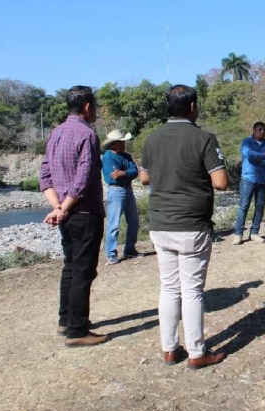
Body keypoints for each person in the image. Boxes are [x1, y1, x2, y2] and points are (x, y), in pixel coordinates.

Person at [139, 84, 228, 369]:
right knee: (191, 291)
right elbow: (221, 182)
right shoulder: (204, 138)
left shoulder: (152, 139)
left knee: (169, 288)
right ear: (192, 107)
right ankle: (197, 352)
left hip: (160, 223)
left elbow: (143, 179)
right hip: (191, 225)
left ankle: (169, 349)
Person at [39, 85, 108, 347]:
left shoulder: (55, 133)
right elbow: (83, 178)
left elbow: (44, 175)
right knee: (83, 270)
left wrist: (57, 207)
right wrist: (64, 207)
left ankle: (65, 320)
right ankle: (77, 330)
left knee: (70, 265)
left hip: (65, 213)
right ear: (88, 107)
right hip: (84, 212)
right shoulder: (87, 135)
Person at [101, 129, 141, 264]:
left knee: (134, 221)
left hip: (127, 190)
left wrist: (123, 173)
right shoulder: (107, 157)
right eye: (120, 142)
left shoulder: (127, 156)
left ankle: (130, 249)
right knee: (114, 223)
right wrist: (127, 174)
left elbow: (135, 171)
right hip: (116, 191)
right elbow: (112, 178)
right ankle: (111, 253)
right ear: (113, 144)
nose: (123, 145)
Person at [233, 122, 265, 245]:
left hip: (262, 179)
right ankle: (238, 234)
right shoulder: (247, 142)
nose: (262, 131)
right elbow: (248, 154)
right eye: (259, 129)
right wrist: (263, 156)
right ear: (254, 130)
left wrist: (258, 160)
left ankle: (255, 233)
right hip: (248, 179)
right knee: (243, 206)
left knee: (259, 207)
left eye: (263, 129)